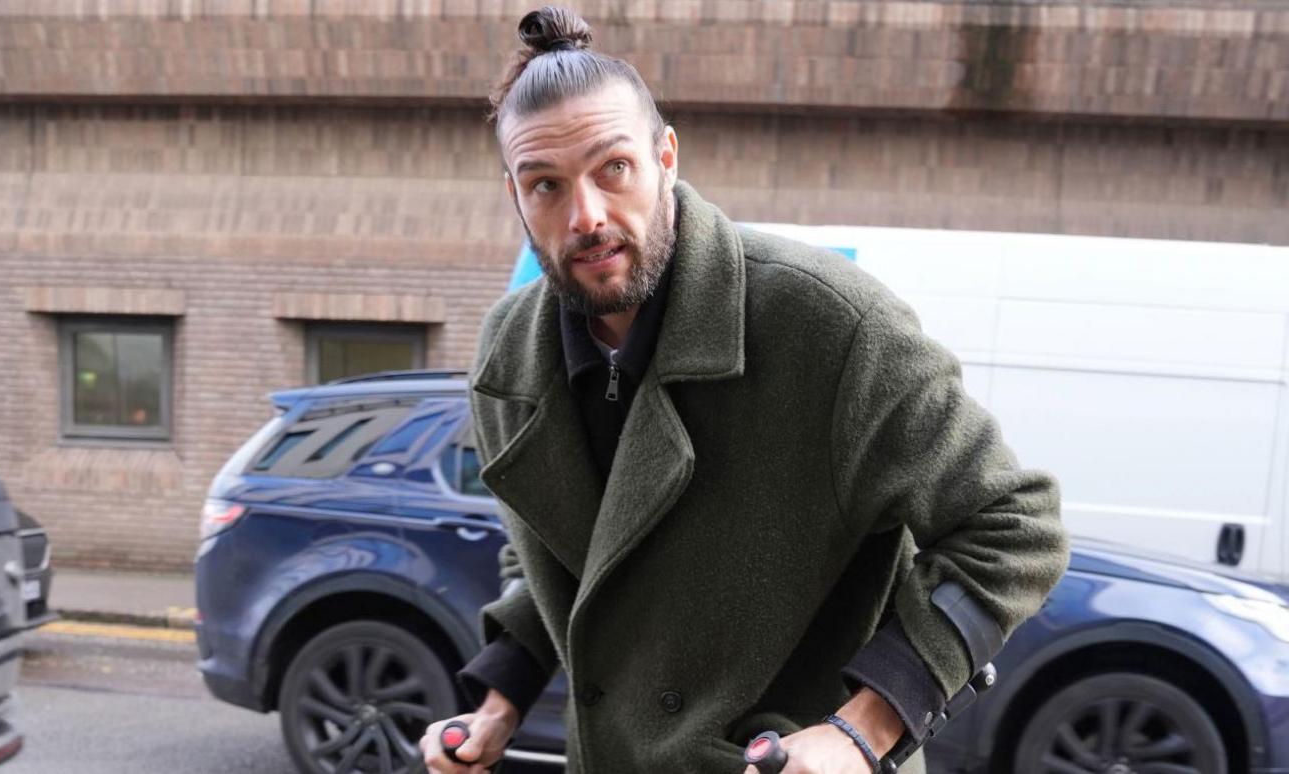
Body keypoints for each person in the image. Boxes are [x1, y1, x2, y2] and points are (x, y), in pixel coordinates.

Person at [419, 7, 1070, 773]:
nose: (586, 215)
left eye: (613, 169)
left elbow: (1016, 527)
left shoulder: (828, 323)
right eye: (546, 186)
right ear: (515, 197)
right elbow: (558, 560)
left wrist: (865, 729)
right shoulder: (510, 356)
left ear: (666, 156)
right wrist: (499, 704)